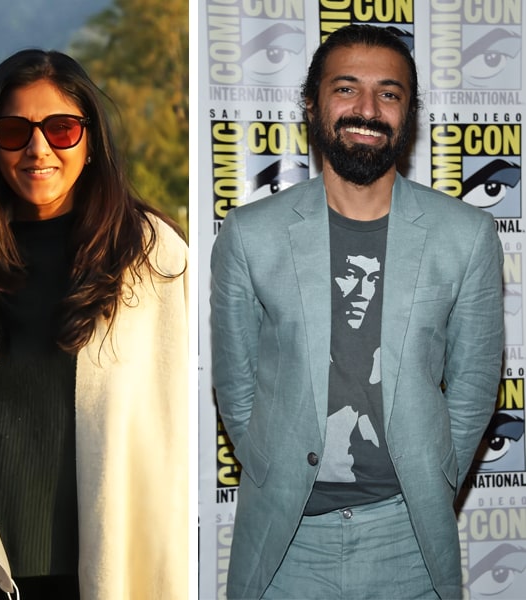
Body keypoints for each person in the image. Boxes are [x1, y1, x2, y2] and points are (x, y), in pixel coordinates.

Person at [210, 24, 503, 600]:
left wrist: (437, 474)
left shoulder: (465, 236)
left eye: (389, 94)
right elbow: (235, 383)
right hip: (286, 542)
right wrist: (276, 467)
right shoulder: (251, 235)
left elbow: (474, 385)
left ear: (408, 113)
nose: (367, 109)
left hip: (411, 541)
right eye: (346, 89)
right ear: (312, 104)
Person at [0, 49, 189, 599]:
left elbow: (179, 416)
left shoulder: (148, 255)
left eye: (61, 128)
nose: (38, 148)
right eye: (13, 130)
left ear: (91, 138)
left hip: (117, 558)